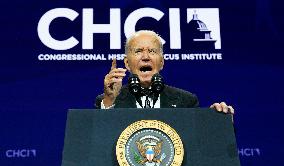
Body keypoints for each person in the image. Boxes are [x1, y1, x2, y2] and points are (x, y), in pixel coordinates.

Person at [95, 30, 234, 115]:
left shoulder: (186, 102)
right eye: (138, 51)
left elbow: (200, 144)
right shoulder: (106, 101)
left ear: (162, 62)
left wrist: (216, 120)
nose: (145, 57)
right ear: (126, 63)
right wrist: (110, 101)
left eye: (152, 51)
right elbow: (97, 143)